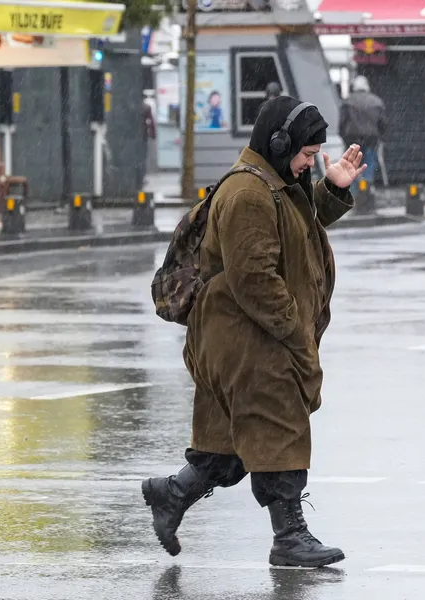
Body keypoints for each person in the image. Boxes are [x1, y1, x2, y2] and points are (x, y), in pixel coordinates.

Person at [142, 97, 366, 568]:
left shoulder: (275, 183)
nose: (311, 161)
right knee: (278, 426)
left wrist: (331, 189)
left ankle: (172, 495)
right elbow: (255, 278)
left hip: (247, 334)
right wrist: (294, 334)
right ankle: (289, 539)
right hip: (250, 337)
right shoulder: (248, 193)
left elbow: (296, 227)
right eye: (306, 153)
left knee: (228, 446)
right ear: (279, 142)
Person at [338, 75, 385, 186]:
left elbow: (342, 122)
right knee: (368, 163)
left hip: (352, 138)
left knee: (352, 164)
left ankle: (353, 193)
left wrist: (343, 135)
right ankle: (366, 189)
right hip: (371, 138)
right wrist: (381, 136)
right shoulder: (377, 101)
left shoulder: (347, 101)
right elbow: (382, 123)